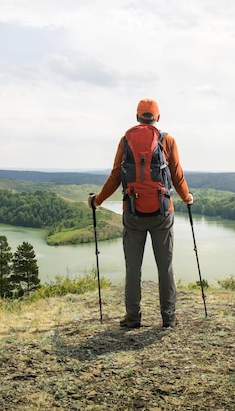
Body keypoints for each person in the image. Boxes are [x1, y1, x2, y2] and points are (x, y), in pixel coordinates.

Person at [88, 98, 193, 329]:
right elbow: (177, 176)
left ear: (137, 117)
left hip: (133, 213)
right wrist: (187, 198)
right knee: (164, 266)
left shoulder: (126, 139)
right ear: (157, 117)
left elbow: (116, 176)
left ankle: (133, 317)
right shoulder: (168, 140)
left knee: (133, 267)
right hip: (163, 213)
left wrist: (98, 200)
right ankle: (169, 317)